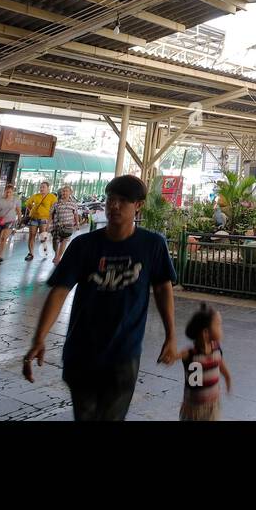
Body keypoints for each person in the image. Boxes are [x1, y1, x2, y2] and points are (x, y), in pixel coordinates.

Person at [22, 175, 177, 421]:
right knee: (85, 415)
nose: (114, 206)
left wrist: (171, 335)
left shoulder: (152, 244)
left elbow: (162, 289)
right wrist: (39, 337)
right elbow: (60, 291)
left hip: (124, 353)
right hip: (82, 351)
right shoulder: (84, 245)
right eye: (110, 200)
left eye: (123, 201)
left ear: (139, 205)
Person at [178, 304, 231, 421]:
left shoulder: (216, 349)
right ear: (205, 333)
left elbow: (220, 364)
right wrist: (172, 355)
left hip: (212, 407)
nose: (221, 329)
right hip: (193, 410)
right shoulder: (191, 354)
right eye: (218, 325)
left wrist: (227, 377)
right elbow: (178, 355)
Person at [24, 181, 57, 261]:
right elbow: (28, 203)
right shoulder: (36, 196)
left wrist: (50, 221)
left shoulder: (52, 197)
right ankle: (30, 253)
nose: (41, 188)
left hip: (44, 219)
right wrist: (31, 209)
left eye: (43, 187)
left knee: (43, 237)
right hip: (33, 218)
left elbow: (54, 209)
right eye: (40, 187)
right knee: (32, 235)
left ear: (48, 188)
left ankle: (45, 250)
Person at [0, 184, 21, 264]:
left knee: (3, 238)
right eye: (7, 192)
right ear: (4, 191)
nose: (8, 194)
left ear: (13, 192)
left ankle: (0, 256)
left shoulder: (16, 200)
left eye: (10, 192)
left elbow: (18, 211)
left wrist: (20, 220)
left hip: (10, 221)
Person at [50, 185, 80, 263]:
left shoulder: (73, 204)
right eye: (63, 191)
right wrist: (48, 224)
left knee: (64, 241)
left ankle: (58, 257)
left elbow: (76, 214)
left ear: (70, 193)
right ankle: (56, 254)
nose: (64, 192)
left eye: (66, 191)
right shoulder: (56, 203)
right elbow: (51, 214)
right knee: (55, 241)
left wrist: (77, 223)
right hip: (57, 226)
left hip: (68, 226)